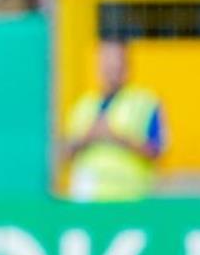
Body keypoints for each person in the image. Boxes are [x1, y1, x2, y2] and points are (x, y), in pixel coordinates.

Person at [63, 39, 165, 201]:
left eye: (116, 64)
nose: (111, 71)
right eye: (106, 64)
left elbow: (156, 151)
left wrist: (117, 137)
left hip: (129, 198)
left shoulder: (145, 102)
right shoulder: (84, 106)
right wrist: (87, 138)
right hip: (88, 197)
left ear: (127, 67)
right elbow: (63, 153)